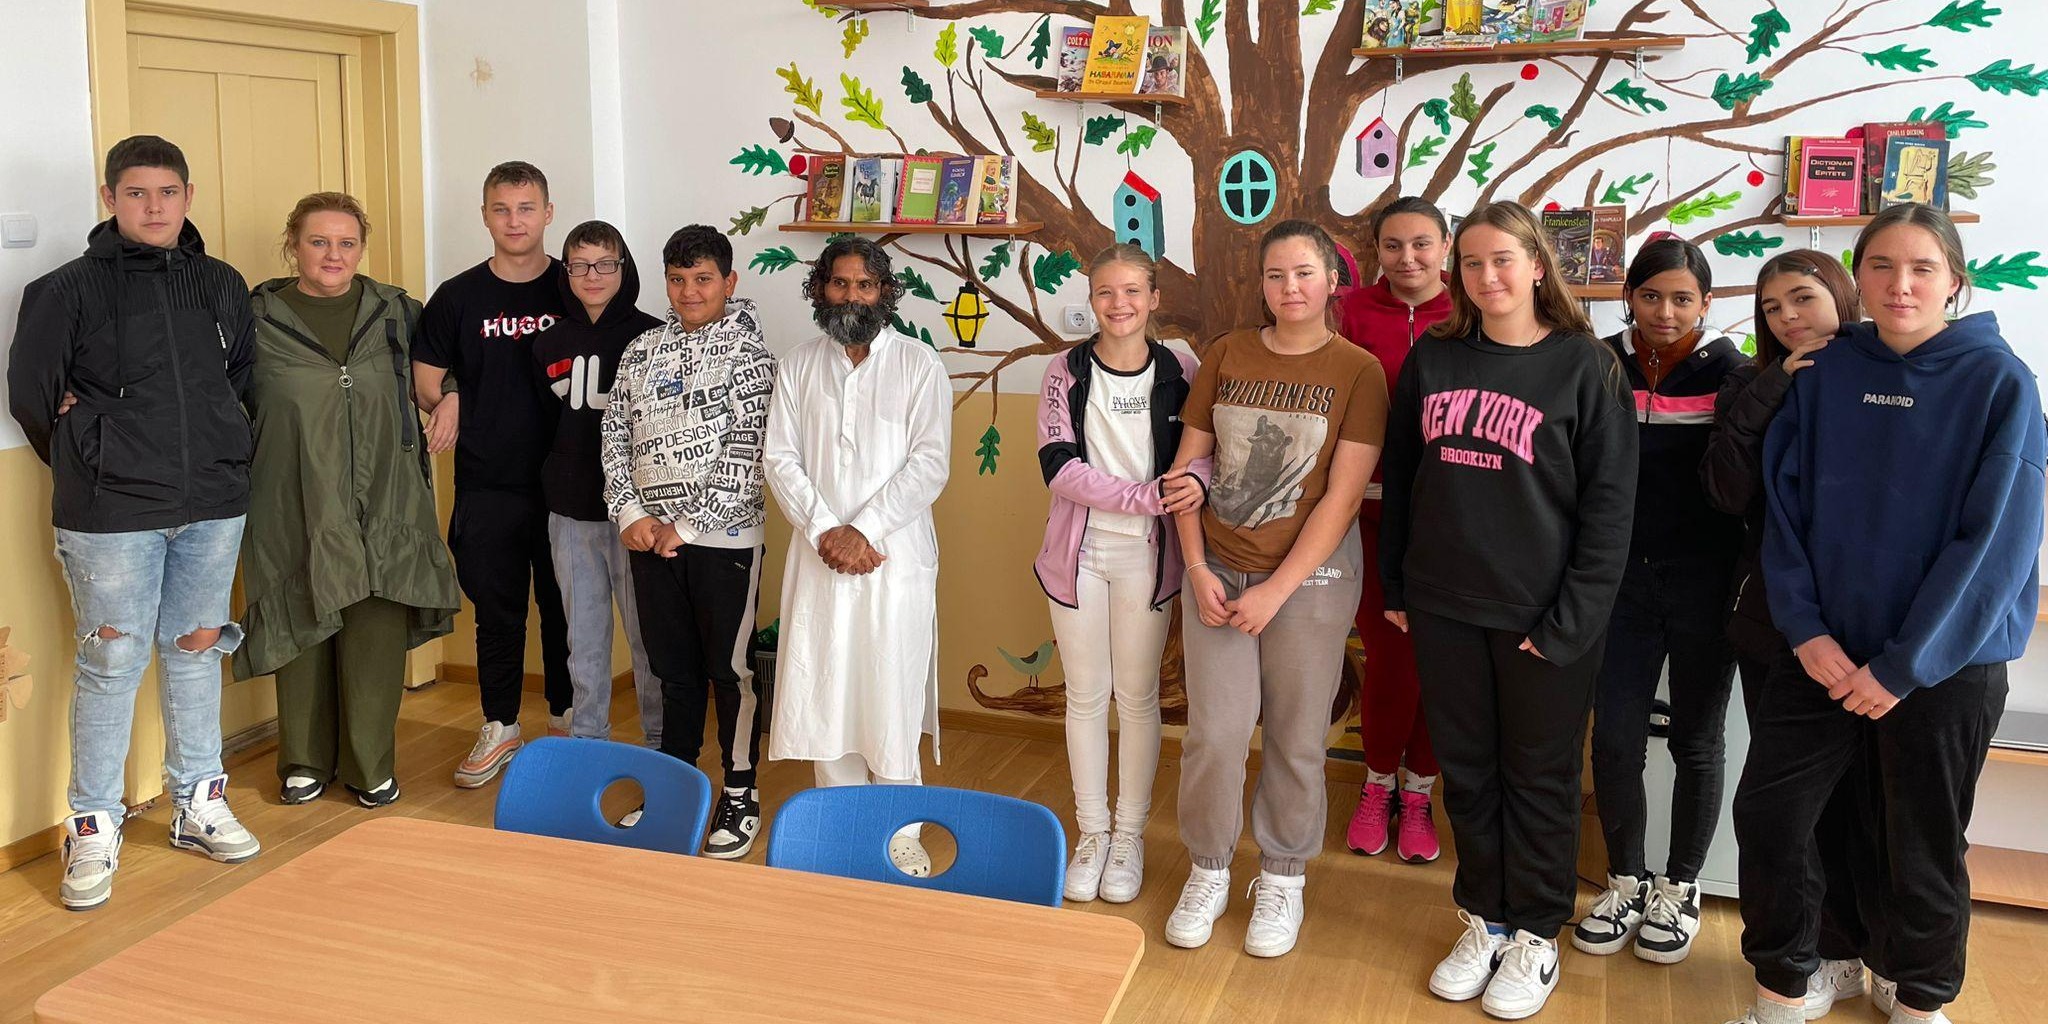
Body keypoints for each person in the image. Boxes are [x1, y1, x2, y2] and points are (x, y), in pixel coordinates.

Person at [1722, 204, 2043, 1024]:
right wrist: (1806, 630)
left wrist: (1904, 666)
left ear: (1954, 282)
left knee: (1920, 840)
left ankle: (1918, 995)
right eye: (1882, 266)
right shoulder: (1825, 373)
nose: (1901, 285)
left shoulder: (1999, 381)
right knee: (1777, 818)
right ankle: (1790, 984)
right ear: (1857, 280)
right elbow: (1784, 515)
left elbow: (1996, 545)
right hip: (1820, 653)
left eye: (1922, 268)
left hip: (1944, 665)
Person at [1379, 201, 1636, 1019]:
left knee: (1541, 779)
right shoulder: (1434, 357)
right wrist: (1397, 589)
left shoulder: (1587, 366)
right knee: (1468, 773)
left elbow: (1610, 512)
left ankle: (1535, 932)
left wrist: (1570, 623)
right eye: (1473, 262)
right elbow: (1403, 479)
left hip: (1543, 620)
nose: (1487, 276)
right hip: (1444, 606)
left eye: (1503, 260)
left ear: (1535, 265)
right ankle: (1485, 919)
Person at [7, 135, 262, 910]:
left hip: (211, 506)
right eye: (137, 193)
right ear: (110, 197)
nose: (154, 207)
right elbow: (32, 395)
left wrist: (222, 454)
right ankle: (92, 824)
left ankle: (198, 803)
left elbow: (241, 384)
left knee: (195, 654)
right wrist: (93, 454)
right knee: (111, 665)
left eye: (168, 192)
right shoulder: (66, 290)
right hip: (111, 515)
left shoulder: (221, 283)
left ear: (188, 196)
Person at [1163, 220, 1385, 959]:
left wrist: (1276, 591)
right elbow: (1186, 474)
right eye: (1276, 275)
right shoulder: (1227, 354)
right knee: (1216, 735)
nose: (1290, 287)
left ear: (1332, 281)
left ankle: (1284, 876)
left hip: (1311, 580)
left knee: (1295, 737)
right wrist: (1197, 568)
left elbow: (1342, 499)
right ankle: (1208, 868)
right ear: (1260, 284)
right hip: (1219, 571)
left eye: (1304, 273)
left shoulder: (1358, 371)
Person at [239, 192, 459, 809]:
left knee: (374, 622)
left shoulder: (396, 311)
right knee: (302, 615)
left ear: (361, 249)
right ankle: (303, 761)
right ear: (293, 245)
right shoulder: (253, 317)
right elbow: (205, 388)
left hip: (386, 491)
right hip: (292, 494)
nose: (333, 255)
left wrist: (453, 396)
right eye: (318, 242)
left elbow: (445, 365)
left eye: (346, 243)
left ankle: (370, 764)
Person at [1699, 250, 1871, 1018]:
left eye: (1802, 298)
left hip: (1874, 633)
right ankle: (1808, 961)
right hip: (1774, 626)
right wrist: (1775, 385)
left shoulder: (1890, 371)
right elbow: (1724, 490)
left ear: (1842, 294)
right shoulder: (1751, 384)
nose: (1789, 317)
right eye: (1772, 308)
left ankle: (1863, 950)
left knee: (1864, 805)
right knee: (1786, 812)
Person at [1574, 238, 1745, 964]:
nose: (1665, 312)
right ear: (1629, 298)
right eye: (1651, 296)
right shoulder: (1598, 362)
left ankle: (1681, 886)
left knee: (1696, 740)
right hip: (1620, 583)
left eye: (1682, 298)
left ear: (1706, 303)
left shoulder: (1734, 372)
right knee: (1615, 739)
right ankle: (1625, 880)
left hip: (1707, 582)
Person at [763, 237, 951, 875]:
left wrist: (864, 530)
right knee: (826, 689)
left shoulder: (919, 365)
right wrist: (826, 531)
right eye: (839, 283)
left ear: (884, 292)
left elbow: (930, 464)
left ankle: (900, 835)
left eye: (864, 285)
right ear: (820, 290)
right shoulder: (798, 365)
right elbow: (780, 459)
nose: (851, 296)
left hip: (892, 560)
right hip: (821, 557)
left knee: (889, 689)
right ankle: (839, 828)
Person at [1033, 243, 1208, 903]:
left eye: (1133, 291)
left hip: (1148, 558)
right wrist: (1145, 496)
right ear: (1091, 298)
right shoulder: (1065, 370)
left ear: (1154, 298)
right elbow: (1059, 467)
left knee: (1136, 698)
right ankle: (1093, 833)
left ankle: (1129, 836)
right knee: (1084, 696)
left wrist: (1193, 482)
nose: (1119, 303)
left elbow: (1203, 451)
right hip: (1078, 556)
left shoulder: (1182, 368)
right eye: (1106, 291)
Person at [601, 225, 774, 858]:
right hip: (651, 541)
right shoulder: (641, 351)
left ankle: (740, 790)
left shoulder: (753, 357)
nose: (689, 292)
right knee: (671, 671)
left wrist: (689, 526)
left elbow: (747, 452)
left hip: (725, 542)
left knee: (729, 672)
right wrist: (629, 513)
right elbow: (614, 436)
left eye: (703, 279)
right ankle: (674, 787)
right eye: (677, 280)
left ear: (729, 282)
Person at [411, 161, 573, 787]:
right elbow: (426, 379)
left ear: (547, 213)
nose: (514, 220)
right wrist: (450, 393)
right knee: (498, 613)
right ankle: (500, 724)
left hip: (567, 484)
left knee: (564, 610)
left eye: (526, 208)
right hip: (487, 482)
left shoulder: (575, 285)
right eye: (501, 209)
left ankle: (566, 723)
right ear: (484, 216)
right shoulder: (458, 297)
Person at [1337, 196, 1453, 864]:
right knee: (1390, 658)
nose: (1407, 258)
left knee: (1438, 662)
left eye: (1421, 244)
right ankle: (1377, 783)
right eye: (1392, 245)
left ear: (1445, 247)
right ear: (1376, 250)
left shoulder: (1470, 312)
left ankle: (1419, 793)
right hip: (1369, 514)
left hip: (1448, 521)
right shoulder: (1351, 312)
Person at [534, 221, 664, 756]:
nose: (593, 275)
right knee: (583, 639)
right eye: (580, 265)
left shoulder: (654, 337)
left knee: (649, 638)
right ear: (566, 272)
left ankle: (660, 743)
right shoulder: (549, 342)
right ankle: (588, 739)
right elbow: (544, 427)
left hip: (638, 516)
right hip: (569, 513)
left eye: (605, 263)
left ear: (623, 268)